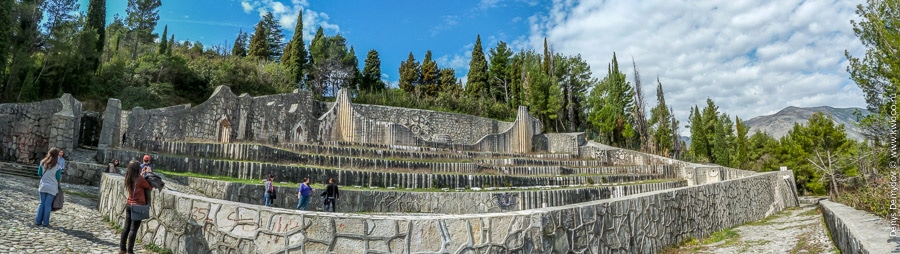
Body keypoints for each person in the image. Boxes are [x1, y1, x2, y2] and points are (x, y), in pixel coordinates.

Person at [119, 160, 153, 254]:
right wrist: (149, 172)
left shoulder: (128, 177)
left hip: (129, 205)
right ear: (137, 169)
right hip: (138, 206)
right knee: (133, 229)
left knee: (126, 228)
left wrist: (141, 174)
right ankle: (130, 251)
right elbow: (149, 186)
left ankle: (122, 249)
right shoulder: (139, 179)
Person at [35, 148, 62, 227]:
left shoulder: (42, 163)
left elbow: (39, 173)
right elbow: (58, 177)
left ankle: (38, 221)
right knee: (48, 205)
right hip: (52, 187)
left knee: (41, 203)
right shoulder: (57, 166)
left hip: (43, 186)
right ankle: (45, 222)